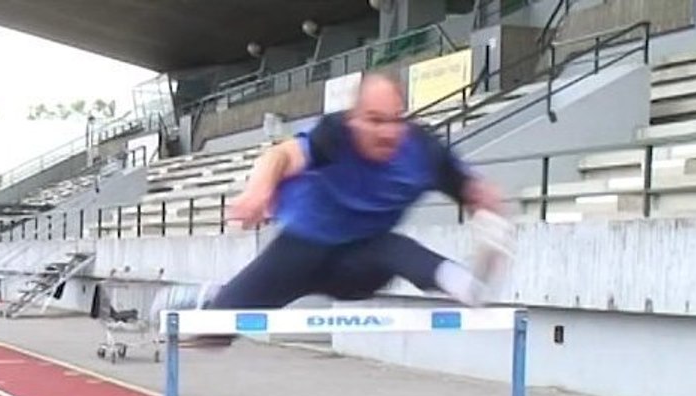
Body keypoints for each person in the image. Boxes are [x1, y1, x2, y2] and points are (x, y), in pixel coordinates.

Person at [155, 70, 512, 343]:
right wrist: (258, 192)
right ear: (354, 119)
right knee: (214, 333)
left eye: (395, 121)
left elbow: (475, 193)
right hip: (302, 250)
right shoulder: (334, 135)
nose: (386, 133)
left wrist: (490, 218)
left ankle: (464, 283)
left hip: (360, 263)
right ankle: (211, 297)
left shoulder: (425, 152)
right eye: (374, 120)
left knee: (394, 248)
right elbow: (279, 155)